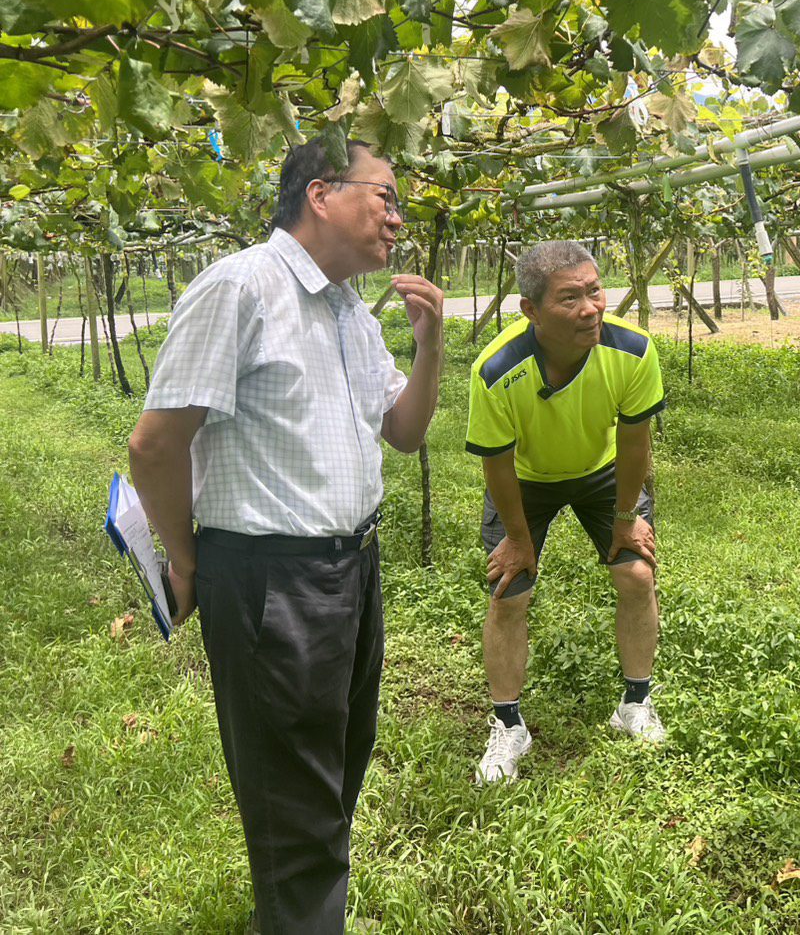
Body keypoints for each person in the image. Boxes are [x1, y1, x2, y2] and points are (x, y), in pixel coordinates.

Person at [127, 137, 444, 933]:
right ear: (321, 193)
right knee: (293, 800)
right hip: (270, 579)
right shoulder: (241, 287)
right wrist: (189, 563)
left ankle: (301, 911)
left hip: (353, 571)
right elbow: (155, 444)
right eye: (387, 197)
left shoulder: (345, 309)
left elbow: (402, 432)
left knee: (333, 770)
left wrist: (430, 344)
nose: (397, 220)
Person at [465, 240, 666, 785]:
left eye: (595, 290)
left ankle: (635, 704)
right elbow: (499, 466)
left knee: (635, 572)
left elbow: (634, 443)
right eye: (569, 298)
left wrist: (626, 517)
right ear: (530, 311)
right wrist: (518, 538)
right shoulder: (495, 371)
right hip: (526, 479)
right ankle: (508, 725)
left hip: (603, 472)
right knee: (511, 590)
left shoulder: (632, 350)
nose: (590, 308)